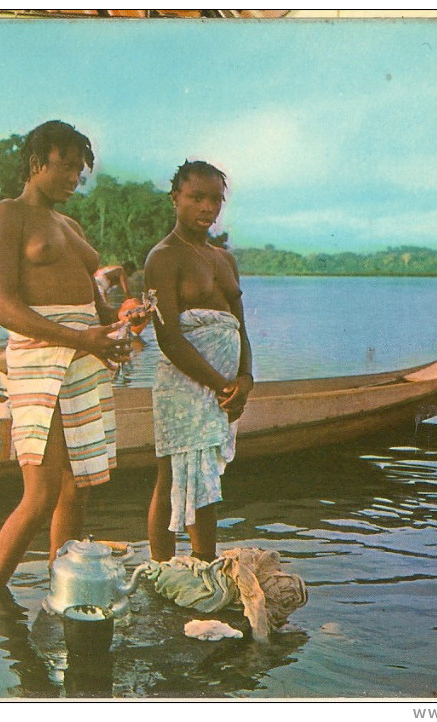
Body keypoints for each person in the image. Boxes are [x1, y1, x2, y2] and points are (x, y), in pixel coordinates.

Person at [0, 120, 130, 589]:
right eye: (65, 166)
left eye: (79, 170)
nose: (73, 178)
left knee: (79, 486)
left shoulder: (70, 224)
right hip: (40, 359)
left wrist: (117, 325)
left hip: (86, 360)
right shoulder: (7, 215)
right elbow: (1, 305)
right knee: (41, 493)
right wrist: (82, 339)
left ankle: (63, 587)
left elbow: (94, 301)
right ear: (36, 162)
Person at [143, 160, 253, 563]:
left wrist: (245, 378)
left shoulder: (225, 260)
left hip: (223, 387)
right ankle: (162, 568)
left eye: (215, 200)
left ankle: (204, 567)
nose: (207, 207)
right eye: (197, 198)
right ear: (176, 199)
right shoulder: (164, 257)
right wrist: (219, 383)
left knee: (207, 477)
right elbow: (169, 338)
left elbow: (239, 328)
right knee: (174, 474)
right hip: (186, 383)